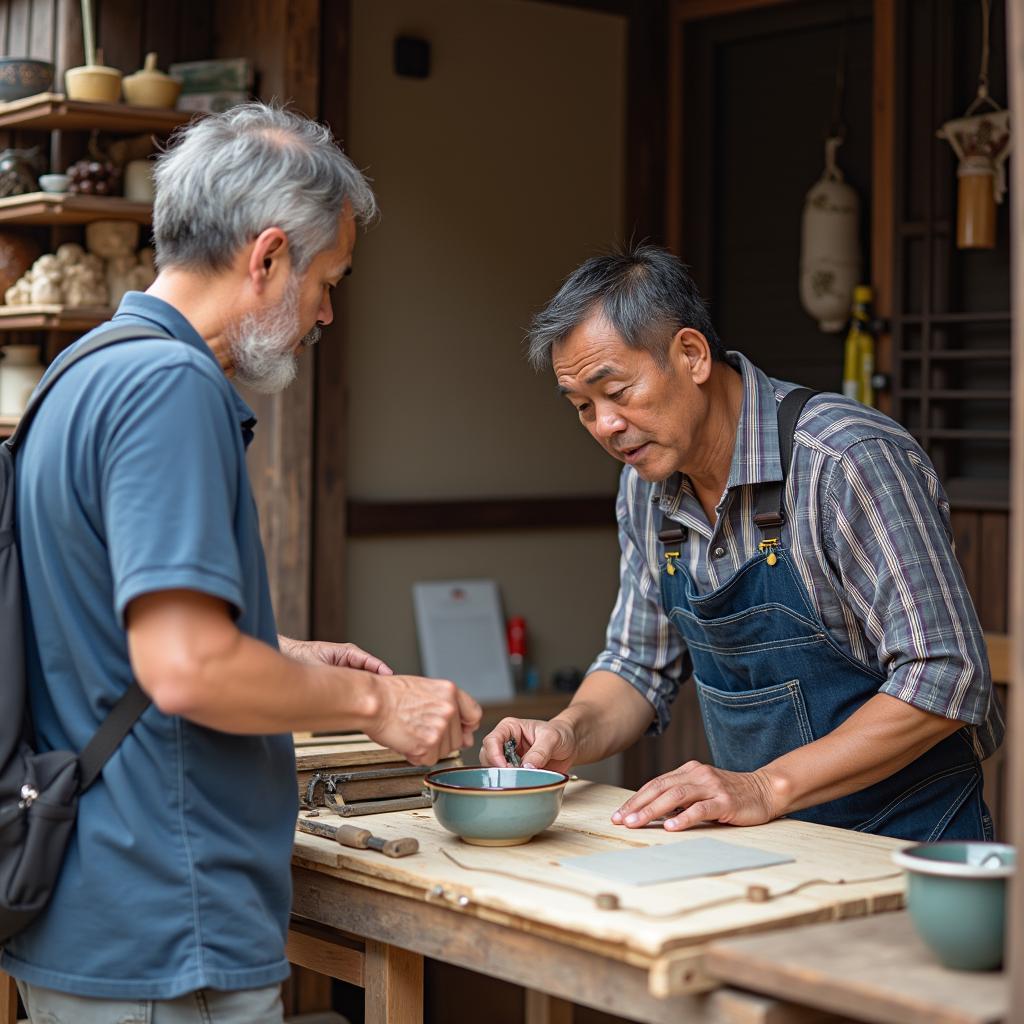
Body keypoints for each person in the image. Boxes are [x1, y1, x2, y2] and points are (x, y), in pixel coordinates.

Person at [2, 103, 481, 1024]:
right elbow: (183, 668)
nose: (327, 312)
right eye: (327, 279)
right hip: (161, 925)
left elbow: (90, 626)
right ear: (265, 259)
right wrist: (385, 703)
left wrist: (277, 651)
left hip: (92, 912)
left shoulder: (84, 371)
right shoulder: (170, 389)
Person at [482, 244, 1003, 843]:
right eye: (582, 407)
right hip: (770, 842)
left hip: (911, 841)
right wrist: (569, 730)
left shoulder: (845, 460)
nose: (605, 426)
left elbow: (946, 673)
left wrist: (762, 787)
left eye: (617, 392)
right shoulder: (644, 490)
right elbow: (636, 664)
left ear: (692, 355)